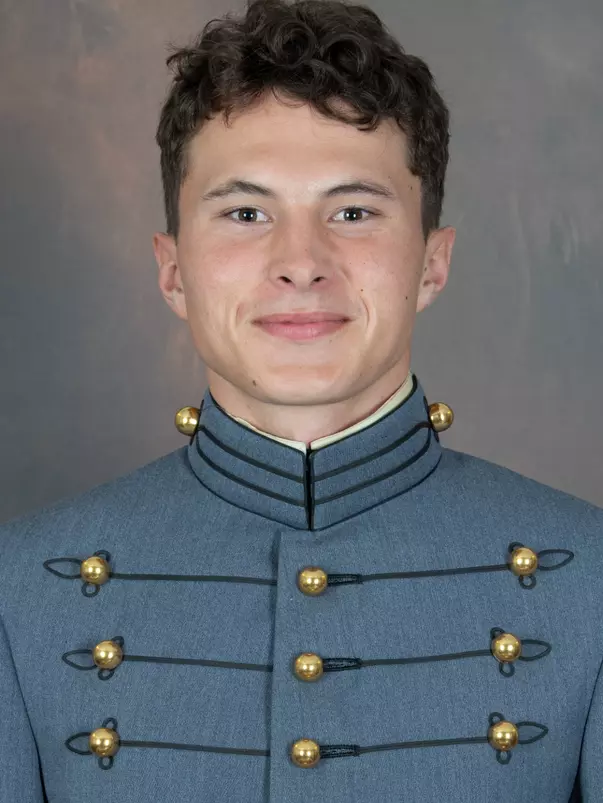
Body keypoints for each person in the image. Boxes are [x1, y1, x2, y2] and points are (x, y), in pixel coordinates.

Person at [0, 0, 601, 799]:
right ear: (172, 269)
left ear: (432, 262)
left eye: (352, 212)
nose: (300, 262)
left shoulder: (588, 576)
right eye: (245, 213)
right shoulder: (20, 589)